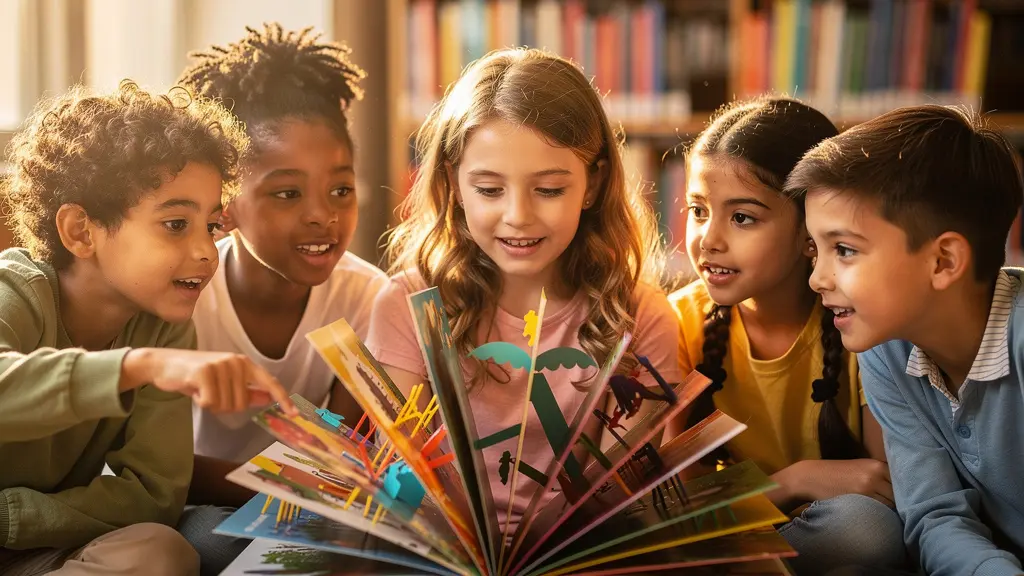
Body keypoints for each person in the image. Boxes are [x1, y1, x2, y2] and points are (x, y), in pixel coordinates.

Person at [366, 47, 681, 533]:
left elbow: (625, 496)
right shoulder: (406, 305)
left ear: (593, 185)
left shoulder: (642, 316)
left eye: (550, 190)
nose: (518, 216)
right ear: (453, 183)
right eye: (490, 190)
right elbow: (398, 480)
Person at [0, 80, 293, 576]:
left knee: (160, 550)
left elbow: (154, 494)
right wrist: (138, 367)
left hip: (36, 546)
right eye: (176, 224)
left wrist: (14, 520)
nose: (205, 250)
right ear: (80, 231)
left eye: (213, 226)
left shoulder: (164, 327)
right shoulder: (16, 292)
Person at [176, 23, 388, 574]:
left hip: (315, 510)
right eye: (286, 193)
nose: (323, 214)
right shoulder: (186, 294)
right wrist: (267, 487)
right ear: (225, 203)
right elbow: (161, 469)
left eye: (340, 188)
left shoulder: (370, 300)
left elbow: (340, 460)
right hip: (197, 507)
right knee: (208, 547)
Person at [665, 97, 907, 575]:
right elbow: (681, 506)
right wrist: (795, 481)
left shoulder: (864, 324)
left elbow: (887, 487)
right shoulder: (679, 322)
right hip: (734, 528)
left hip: (827, 530)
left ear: (807, 233)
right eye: (697, 210)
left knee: (867, 530)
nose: (708, 239)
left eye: (742, 218)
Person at [790, 104, 1024, 576]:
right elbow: (936, 514)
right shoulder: (886, 350)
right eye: (816, 249)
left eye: (845, 250)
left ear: (943, 262)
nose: (817, 278)